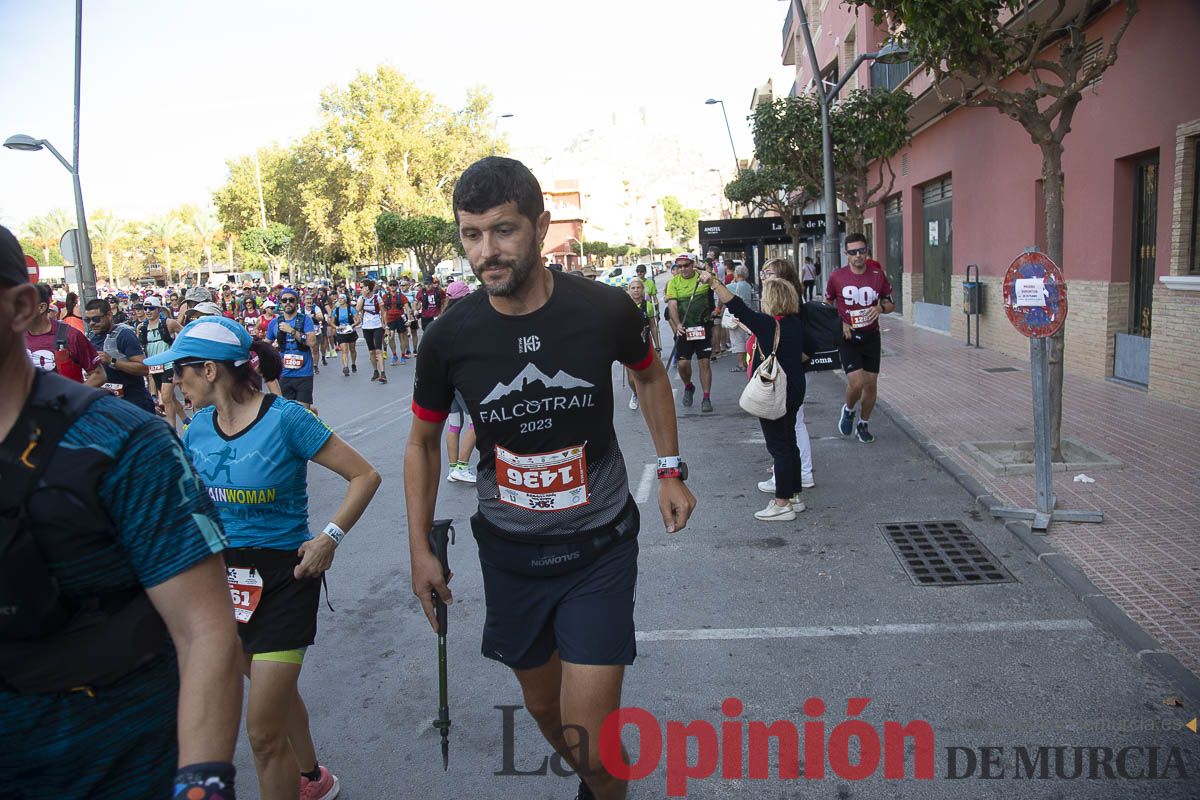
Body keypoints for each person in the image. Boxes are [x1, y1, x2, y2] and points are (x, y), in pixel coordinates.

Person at [406, 157, 695, 800]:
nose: (488, 252)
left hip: (600, 548)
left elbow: (648, 374)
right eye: (472, 235)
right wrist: (418, 547)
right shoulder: (448, 338)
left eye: (504, 231)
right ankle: (598, 783)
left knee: (587, 731)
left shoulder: (602, 310)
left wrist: (670, 469)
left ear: (540, 228)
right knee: (545, 713)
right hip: (510, 557)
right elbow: (425, 441)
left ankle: (604, 789)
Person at [0, 225, 244, 800]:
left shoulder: (123, 445)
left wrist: (202, 783)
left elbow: (206, 631)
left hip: (114, 769)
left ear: (20, 308)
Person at [153, 315, 381, 800]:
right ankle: (314, 777)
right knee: (271, 694)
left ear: (210, 371)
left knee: (261, 731)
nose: (174, 381)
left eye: (179, 371)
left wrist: (328, 538)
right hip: (223, 583)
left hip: (285, 577)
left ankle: (302, 778)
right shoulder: (195, 430)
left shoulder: (287, 419)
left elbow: (365, 476)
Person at [699, 266, 808, 521]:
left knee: (778, 447)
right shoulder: (793, 323)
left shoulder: (769, 324)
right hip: (795, 388)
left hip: (775, 391)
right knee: (789, 441)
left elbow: (736, 305)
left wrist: (714, 283)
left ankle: (781, 503)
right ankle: (793, 494)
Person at [826, 232, 895, 444]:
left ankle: (863, 424)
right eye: (853, 252)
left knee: (871, 385)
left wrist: (880, 307)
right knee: (856, 382)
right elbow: (827, 306)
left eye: (862, 251)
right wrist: (841, 323)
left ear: (867, 251)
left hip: (871, 336)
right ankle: (848, 410)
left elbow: (891, 303)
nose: (858, 256)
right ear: (846, 254)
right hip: (848, 336)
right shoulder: (837, 277)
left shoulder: (877, 274)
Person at [756, 259, 815, 490]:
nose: (764, 278)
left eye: (768, 273)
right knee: (788, 432)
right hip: (791, 375)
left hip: (786, 377)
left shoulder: (789, 310)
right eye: (764, 273)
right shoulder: (789, 307)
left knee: (785, 436)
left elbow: (805, 345)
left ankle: (788, 485)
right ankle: (793, 482)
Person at [84, 297, 156, 414]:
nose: (92, 323)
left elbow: (144, 368)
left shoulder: (124, 335)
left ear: (109, 315)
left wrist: (112, 361)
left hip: (133, 403)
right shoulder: (91, 338)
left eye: (96, 319)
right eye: (88, 320)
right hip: (108, 406)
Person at [26, 282, 104, 387]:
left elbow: (99, 375)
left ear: (41, 308)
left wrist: (73, 398)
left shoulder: (71, 336)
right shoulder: (13, 338)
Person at [664, 253, 715, 412]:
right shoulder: (673, 283)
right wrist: (678, 324)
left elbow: (718, 288)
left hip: (703, 328)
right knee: (683, 364)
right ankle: (688, 386)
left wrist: (710, 277)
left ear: (693, 264)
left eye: (686, 265)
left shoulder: (703, 278)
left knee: (704, 362)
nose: (683, 269)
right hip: (684, 329)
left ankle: (706, 397)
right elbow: (672, 306)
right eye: (679, 266)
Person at [266, 287, 319, 411]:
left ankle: (309, 415)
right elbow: (266, 344)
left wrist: (291, 331)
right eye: (284, 300)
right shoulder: (274, 323)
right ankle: (312, 413)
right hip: (284, 374)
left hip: (304, 374)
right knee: (288, 412)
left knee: (301, 413)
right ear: (280, 303)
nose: (287, 303)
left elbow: (312, 342)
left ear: (297, 302)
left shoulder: (305, 320)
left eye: (291, 300)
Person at [625, 279, 657, 410]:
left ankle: (650, 396)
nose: (636, 290)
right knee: (632, 379)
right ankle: (635, 393)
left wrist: (658, 345)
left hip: (645, 344)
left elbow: (653, 326)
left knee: (647, 373)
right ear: (629, 290)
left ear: (642, 290)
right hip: (628, 345)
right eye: (633, 288)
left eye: (638, 288)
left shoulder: (648, 306)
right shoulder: (624, 306)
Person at [357, 279, 388, 383]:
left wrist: (386, 325)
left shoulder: (377, 297)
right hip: (366, 326)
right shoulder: (361, 298)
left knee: (378, 349)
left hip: (377, 325)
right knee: (371, 351)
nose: (360, 289)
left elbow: (383, 312)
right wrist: (363, 296)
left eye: (362, 287)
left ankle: (383, 373)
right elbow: (358, 309)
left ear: (368, 288)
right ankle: (375, 371)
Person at [726, 266, 754, 373]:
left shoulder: (733, 286)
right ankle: (747, 362)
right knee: (746, 339)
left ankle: (740, 364)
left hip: (737, 317)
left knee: (738, 341)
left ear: (736, 274)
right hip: (748, 314)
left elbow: (723, 288)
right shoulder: (748, 285)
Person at [382, 279, 411, 366]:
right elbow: (382, 310)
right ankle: (394, 355)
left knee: (402, 337)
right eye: (391, 285)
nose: (392, 287)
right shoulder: (385, 296)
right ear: (388, 287)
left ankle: (402, 355)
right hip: (390, 319)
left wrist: (408, 319)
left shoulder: (401, 296)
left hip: (400, 318)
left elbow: (407, 308)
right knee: (390, 337)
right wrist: (383, 322)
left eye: (394, 285)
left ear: (397, 286)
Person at [330, 291, 358, 376]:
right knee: (344, 350)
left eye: (342, 298)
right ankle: (345, 367)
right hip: (341, 332)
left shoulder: (351, 309)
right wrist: (337, 327)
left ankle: (353, 363)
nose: (340, 300)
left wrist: (352, 325)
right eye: (339, 299)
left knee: (352, 349)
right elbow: (331, 322)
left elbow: (358, 320)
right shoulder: (336, 310)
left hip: (350, 331)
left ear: (345, 300)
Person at [634, 264, 660, 351]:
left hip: (647, 308)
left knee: (649, 329)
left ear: (645, 272)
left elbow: (655, 298)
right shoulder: (634, 282)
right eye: (637, 271)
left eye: (641, 271)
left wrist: (657, 311)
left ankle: (655, 347)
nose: (639, 273)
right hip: (636, 307)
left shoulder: (650, 282)